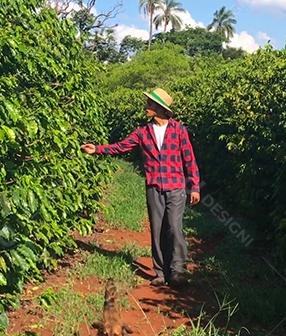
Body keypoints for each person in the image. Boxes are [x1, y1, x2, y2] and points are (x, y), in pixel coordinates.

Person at [81, 88, 200, 288]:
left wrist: (195, 186)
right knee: (157, 228)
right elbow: (121, 146)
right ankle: (161, 272)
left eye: (150, 104)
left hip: (176, 186)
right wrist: (98, 149)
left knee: (174, 227)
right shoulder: (142, 132)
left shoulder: (178, 130)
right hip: (154, 186)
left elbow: (189, 159)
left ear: (160, 108)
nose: (146, 107)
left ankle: (178, 271)